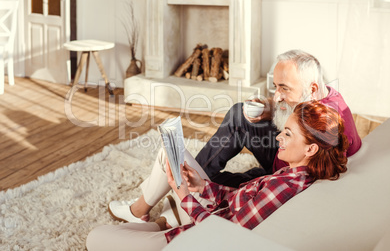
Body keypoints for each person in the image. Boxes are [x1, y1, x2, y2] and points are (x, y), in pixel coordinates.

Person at [108, 49, 361, 222]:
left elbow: (292, 176)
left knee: (219, 167)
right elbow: (297, 127)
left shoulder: (326, 128)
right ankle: (188, 183)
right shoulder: (323, 100)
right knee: (240, 114)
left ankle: (151, 204)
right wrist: (272, 110)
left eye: (284, 88)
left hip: (284, 169)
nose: (277, 95)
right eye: (276, 87)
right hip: (288, 160)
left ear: (312, 88)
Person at [86, 101, 349, 251]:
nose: (278, 136)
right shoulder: (296, 173)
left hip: (195, 238)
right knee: (170, 150)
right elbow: (240, 201)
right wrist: (204, 186)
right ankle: (155, 219)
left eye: (288, 133)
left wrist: (184, 196)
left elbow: (226, 234)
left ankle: (160, 223)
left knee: (95, 237)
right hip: (211, 214)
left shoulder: (285, 186)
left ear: (311, 148)